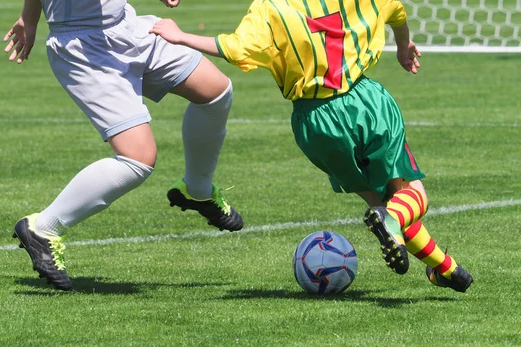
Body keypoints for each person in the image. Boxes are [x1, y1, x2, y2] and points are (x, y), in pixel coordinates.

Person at [150, 0, 473, 292]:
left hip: (315, 123)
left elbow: (235, 48)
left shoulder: (270, 8)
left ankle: (447, 269)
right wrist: (404, 47)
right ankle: (392, 223)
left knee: (387, 202)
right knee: (410, 197)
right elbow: (397, 12)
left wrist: (181, 36)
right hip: (364, 105)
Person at [3, 0, 243, 291]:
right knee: (138, 158)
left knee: (215, 91)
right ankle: (43, 228)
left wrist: (28, 18)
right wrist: (29, 18)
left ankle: (198, 190)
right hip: (84, 46)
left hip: (126, 27)